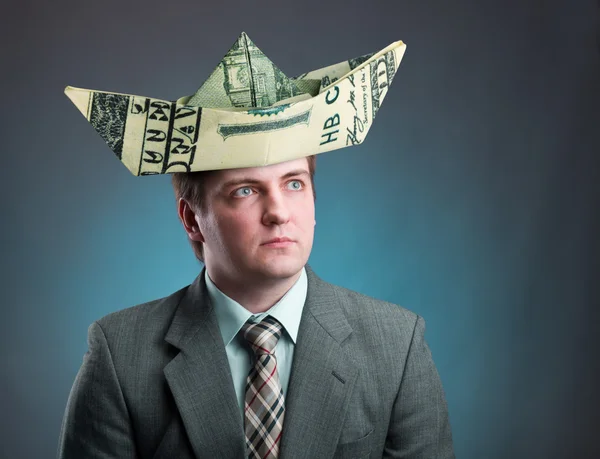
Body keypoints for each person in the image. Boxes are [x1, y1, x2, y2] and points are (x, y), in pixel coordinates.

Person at [59, 32, 454, 458]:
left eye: (295, 183)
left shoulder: (397, 346)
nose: (279, 212)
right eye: (246, 191)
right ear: (192, 219)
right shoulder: (120, 355)